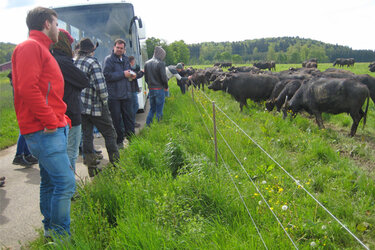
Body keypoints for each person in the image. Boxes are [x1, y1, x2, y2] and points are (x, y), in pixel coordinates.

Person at [11, 6, 75, 238]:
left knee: (50, 182)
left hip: (52, 126)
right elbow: (26, 88)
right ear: (46, 24)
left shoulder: (41, 49)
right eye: (57, 24)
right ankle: (61, 236)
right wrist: (50, 120)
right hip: (44, 130)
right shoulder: (30, 47)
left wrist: (61, 118)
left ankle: (50, 231)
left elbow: (47, 91)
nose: (58, 29)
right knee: (66, 183)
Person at [74, 37, 120, 176]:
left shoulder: (74, 62)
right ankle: (116, 164)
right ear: (91, 51)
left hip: (81, 106)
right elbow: (101, 87)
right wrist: (105, 101)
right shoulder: (92, 63)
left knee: (87, 136)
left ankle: (92, 169)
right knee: (110, 133)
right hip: (96, 106)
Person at [51, 29, 90, 172]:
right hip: (70, 111)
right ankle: (70, 189)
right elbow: (84, 80)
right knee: (70, 153)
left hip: (58, 111)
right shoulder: (64, 62)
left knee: (60, 153)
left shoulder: (51, 58)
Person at [103, 39, 136, 149]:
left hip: (127, 94)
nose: (119, 50)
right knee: (116, 120)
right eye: (118, 47)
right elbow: (107, 76)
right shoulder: (109, 60)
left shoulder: (126, 59)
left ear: (124, 49)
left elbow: (129, 71)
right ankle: (119, 142)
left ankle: (132, 141)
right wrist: (123, 74)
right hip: (115, 96)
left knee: (129, 119)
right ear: (114, 47)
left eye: (121, 48)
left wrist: (132, 74)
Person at [7, 73, 38, 167]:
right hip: (23, 105)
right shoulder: (19, 77)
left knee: (25, 129)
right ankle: (19, 155)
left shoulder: (17, 77)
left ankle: (27, 154)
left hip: (23, 104)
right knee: (25, 129)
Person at [144, 46, 168, 125]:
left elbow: (146, 78)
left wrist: (150, 86)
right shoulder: (160, 63)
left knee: (152, 109)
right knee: (159, 110)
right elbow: (164, 78)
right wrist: (166, 87)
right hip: (159, 89)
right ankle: (159, 127)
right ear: (161, 54)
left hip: (151, 89)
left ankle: (148, 126)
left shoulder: (146, 63)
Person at [128, 56, 144, 128]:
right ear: (132, 61)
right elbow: (135, 76)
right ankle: (131, 121)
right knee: (135, 106)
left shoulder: (129, 68)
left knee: (133, 106)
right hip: (131, 91)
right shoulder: (129, 68)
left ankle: (132, 121)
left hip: (133, 89)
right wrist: (142, 72)